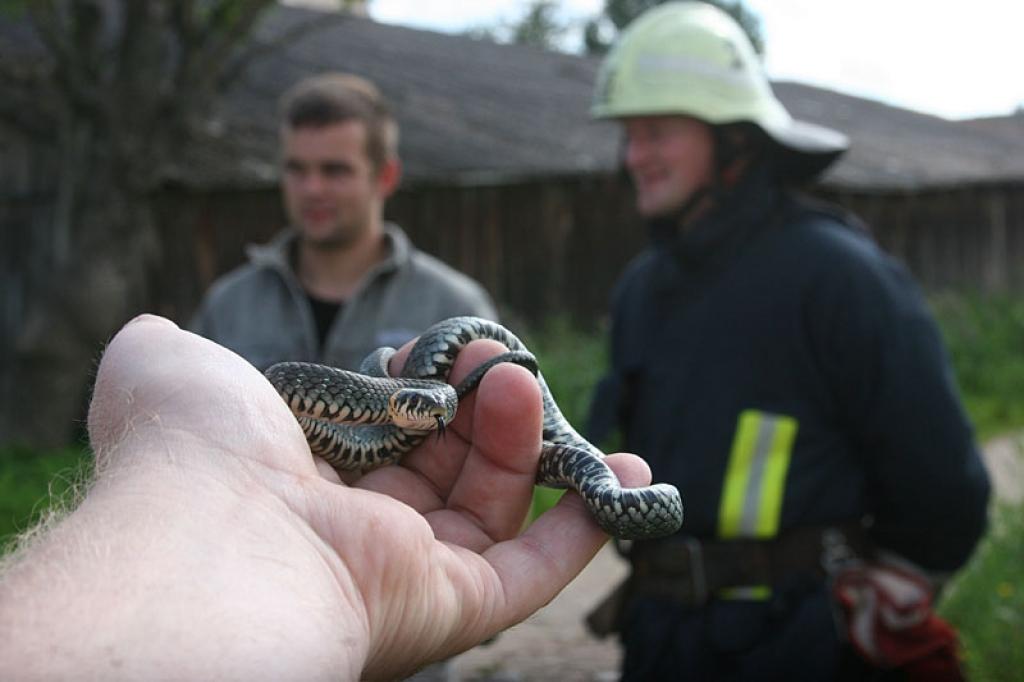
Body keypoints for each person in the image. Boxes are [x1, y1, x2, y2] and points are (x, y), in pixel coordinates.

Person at [584, 3, 991, 681]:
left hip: (801, 644)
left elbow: (943, 490)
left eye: (656, 133)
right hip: (662, 641)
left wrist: (880, 590)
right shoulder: (642, 290)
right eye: (628, 136)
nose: (635, 157)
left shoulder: (837, 276)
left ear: (736, 142)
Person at [0, 314, 651, 680]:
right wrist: (201, 485)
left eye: (440, 407)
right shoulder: (299, 356)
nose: (434, 412)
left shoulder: (430, 381)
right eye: (422, 407)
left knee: (599, 470)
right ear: (396, 401)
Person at [190, 72, 497, 372]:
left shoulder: (453, 307)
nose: (312, 189)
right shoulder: (228, 306)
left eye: (335, 170)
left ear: (385, 177)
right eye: (297, 169)